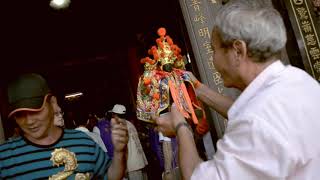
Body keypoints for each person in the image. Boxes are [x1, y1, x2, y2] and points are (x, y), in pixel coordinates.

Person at [155, 0, 320, 179]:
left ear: (238, 51)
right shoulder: (299, 80)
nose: (213, 60)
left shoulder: (256, 121)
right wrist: (200, 90)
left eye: (214, 50)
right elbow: (248, 112)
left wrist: (181, 127)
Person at [0, 73, 128, 179]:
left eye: (35, 111)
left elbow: (110, 176)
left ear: (52, 102)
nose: (29, 121)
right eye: (20, 115)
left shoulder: (84, 142)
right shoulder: (4, 158)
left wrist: (119, 152)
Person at [110, 104, 148, 180]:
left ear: (115, 114)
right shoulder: (129, 123)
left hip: (132, 165)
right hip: (140, 161)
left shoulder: (120, 126)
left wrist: (125, 168)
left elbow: (124, 148)